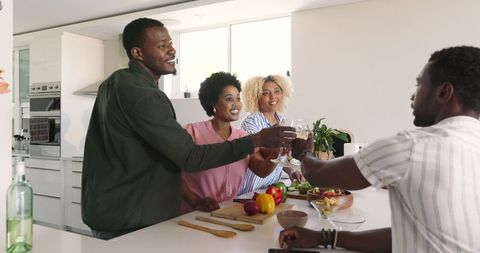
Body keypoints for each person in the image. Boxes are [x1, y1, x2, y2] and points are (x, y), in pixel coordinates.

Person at [81, 18, 295, 240]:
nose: (172, 50)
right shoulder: (142, 93)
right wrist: (256, 139)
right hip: (130, 219)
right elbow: (190, 158)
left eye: (171, 43)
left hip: (118, 213)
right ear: (138, 53)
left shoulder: (116, 83)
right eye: (162, 45)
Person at [280, 46, 480, 253]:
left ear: (443, 92)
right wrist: (325, 237)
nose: (413, 96)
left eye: (419, 85)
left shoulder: (413, 146)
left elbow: (318, 174)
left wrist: (303, 152)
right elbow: (409, 236)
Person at [181, 72, 279, 213]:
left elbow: (261, 170)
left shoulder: (243, 137)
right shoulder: (192, 131)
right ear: (213, 103)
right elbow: (171, 173)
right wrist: (196, 202)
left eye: (238, 98)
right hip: (192, 216)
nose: (236, 104)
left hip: (229, 213)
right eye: (229, 98)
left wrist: (278, 151)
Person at [238, 74, 304, 195]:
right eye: (266, 93)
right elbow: (264, 155)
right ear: (255, 97)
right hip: (250, 191)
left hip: (270, 189)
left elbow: (281, 156)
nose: (273, 96)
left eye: (277, 91)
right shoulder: (251, 122)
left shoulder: (282, 120)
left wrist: (290, 171)